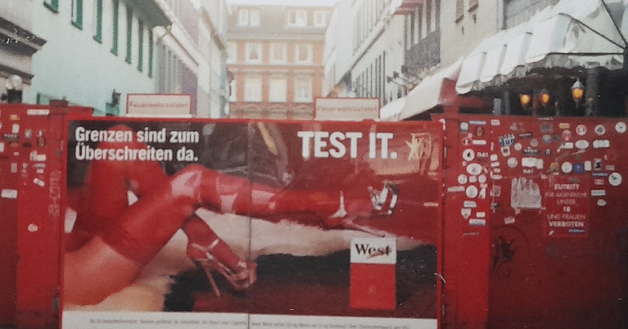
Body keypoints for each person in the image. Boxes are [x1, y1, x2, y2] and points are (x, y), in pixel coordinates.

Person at [63, 125, 397, 308]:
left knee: (119, 141)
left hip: (71, 249)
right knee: (191, 182)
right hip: (77, 278)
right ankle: (329, 205)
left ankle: (205, 240)